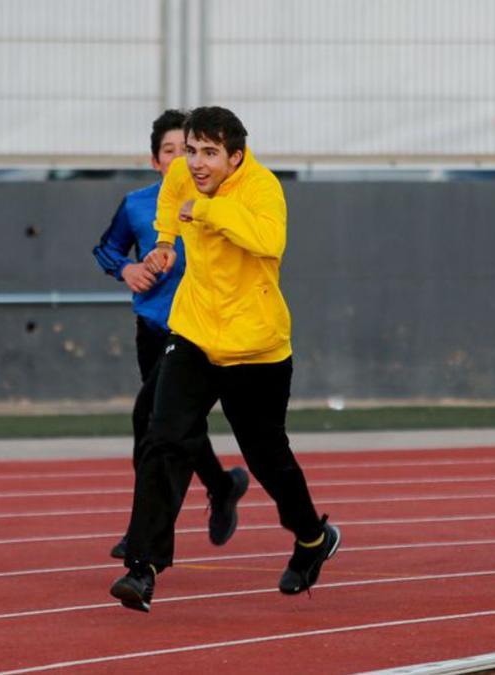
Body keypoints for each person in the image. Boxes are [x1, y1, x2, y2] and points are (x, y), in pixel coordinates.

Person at [109, 107, 339, 612]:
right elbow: (171, 203)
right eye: (191, 150)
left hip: (256, 347)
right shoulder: (183, 178)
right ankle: (142, 569)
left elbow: (268, 240)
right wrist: (166, 244)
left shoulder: (262, 189)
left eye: (209, 153)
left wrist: (207, 211)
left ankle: (312, 539)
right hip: (194, 332)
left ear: (236, 157)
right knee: (162, 436)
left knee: (266, 458)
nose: (195, 163)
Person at [92, 110, 248, 560]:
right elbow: (107, 247)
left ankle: (147, 539)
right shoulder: (138, 204)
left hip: (200, 332)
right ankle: (222, 486)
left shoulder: (218, 205)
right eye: (171, 151)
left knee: (156, 426)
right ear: (155, 160)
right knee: (175, 426)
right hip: (154, 329)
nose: (183, 159)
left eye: (192, 150)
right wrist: (127, 268)